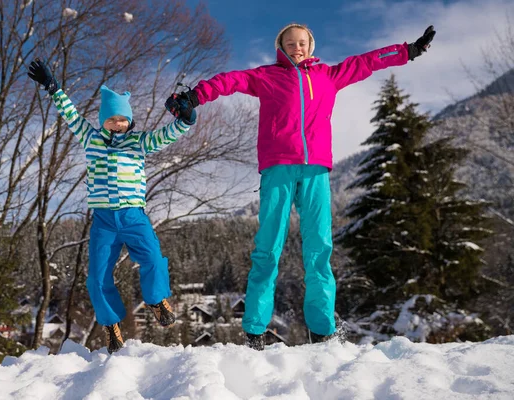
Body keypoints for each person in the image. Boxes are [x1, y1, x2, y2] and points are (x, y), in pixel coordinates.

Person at [166, 24, 436, 350]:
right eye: (290, 43)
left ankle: (322, 331)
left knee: (319, 250)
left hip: (316, 172)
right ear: (280, 46)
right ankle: (255, 331)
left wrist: (408, 50)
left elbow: (368, 61)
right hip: (277, 169)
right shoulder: (268, 76)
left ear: (311, 46)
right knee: (267, 249)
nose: (297, 47)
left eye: (302, 43)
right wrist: (195, 95)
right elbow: (229, 81)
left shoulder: (329, 75)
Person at [28, 58, 197, 353]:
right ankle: (110, 326)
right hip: (104, 220)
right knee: (96, 278)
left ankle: (157, 300)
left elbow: (166, 135)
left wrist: (185, 120)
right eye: (112, 119)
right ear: (103, 120)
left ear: (129, 121)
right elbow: (71, 116)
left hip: (134, 216)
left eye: (123, 119)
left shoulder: (139, 143)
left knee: (153, 259)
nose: (118, 124)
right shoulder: (90, 139)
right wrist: (54, 89)